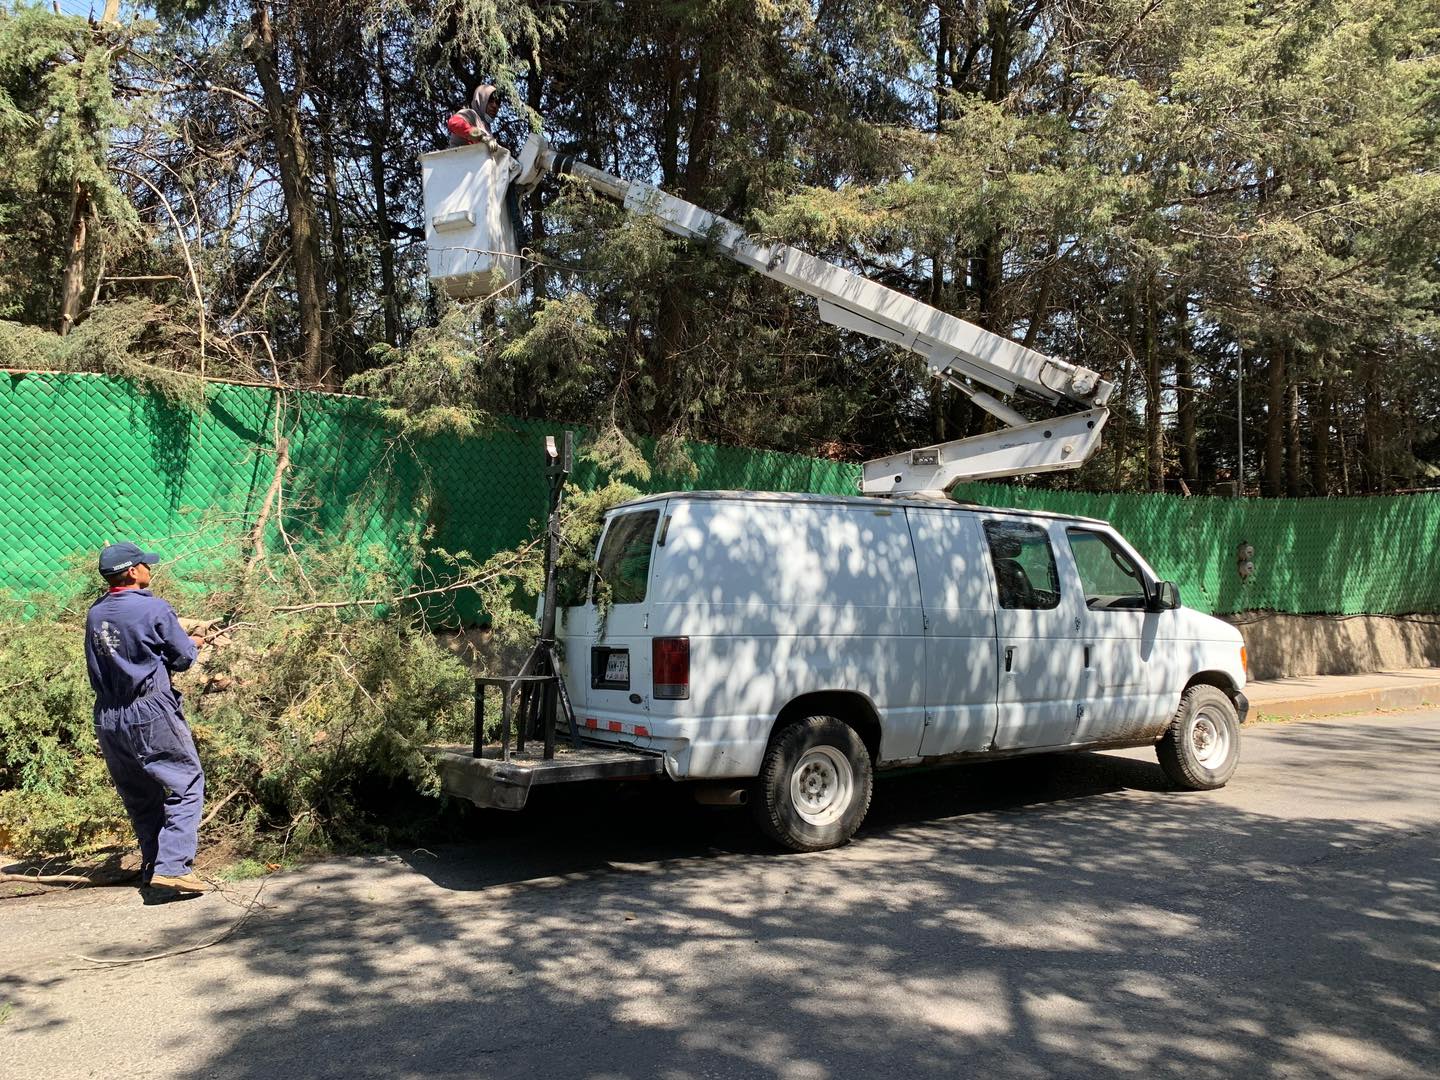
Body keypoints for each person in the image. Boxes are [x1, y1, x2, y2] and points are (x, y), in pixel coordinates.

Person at [85, 542, 209, 898]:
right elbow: (183, 657)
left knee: (140, 795)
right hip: (149, 710)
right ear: (134, 572)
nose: (149, 570)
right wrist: (196, 639)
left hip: (109, 716)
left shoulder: (96, 613)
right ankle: (173, 868)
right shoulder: (153, 607)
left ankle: (154, 869)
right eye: (145, 565)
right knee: (186, 783)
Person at [446, 83, 502, 150]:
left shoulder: (486, 128)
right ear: (481, 100)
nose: (494, 106)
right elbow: (454, 123)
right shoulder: (471, 115)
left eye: (497, 103)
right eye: (490, 101)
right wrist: (480, 137)